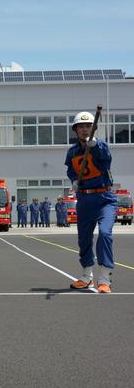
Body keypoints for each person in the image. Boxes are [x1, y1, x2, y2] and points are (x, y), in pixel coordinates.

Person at [65, 111, 118, 293]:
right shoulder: (72, 151)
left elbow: (106, 162)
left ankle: (104, 279)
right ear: (76, 130)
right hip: (85, 199)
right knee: (84, 238)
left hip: (105, 198)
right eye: (81, 126)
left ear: (93, 128)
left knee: (105, 234)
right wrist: (74, 181)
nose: (85, 129)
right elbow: (71, 171)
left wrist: (96, 147)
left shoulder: (101, 145)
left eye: (88, 126)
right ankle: (87, 277)